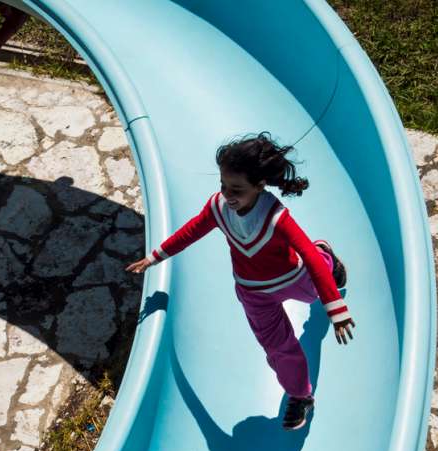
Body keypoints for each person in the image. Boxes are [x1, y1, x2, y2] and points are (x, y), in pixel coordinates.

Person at [126, 133, 354, 430]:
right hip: (253, 293)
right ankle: (300, 395)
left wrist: (336, 309)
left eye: (236, 189)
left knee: (316, 279)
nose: (228, 195)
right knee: (278, 348)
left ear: (260, 185)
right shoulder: (219, 207)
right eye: (223, 185)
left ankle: (329, 257)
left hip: (293, 277)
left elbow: (306, 257)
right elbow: (192, 230)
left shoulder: (276, 217)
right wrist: (156, 256)